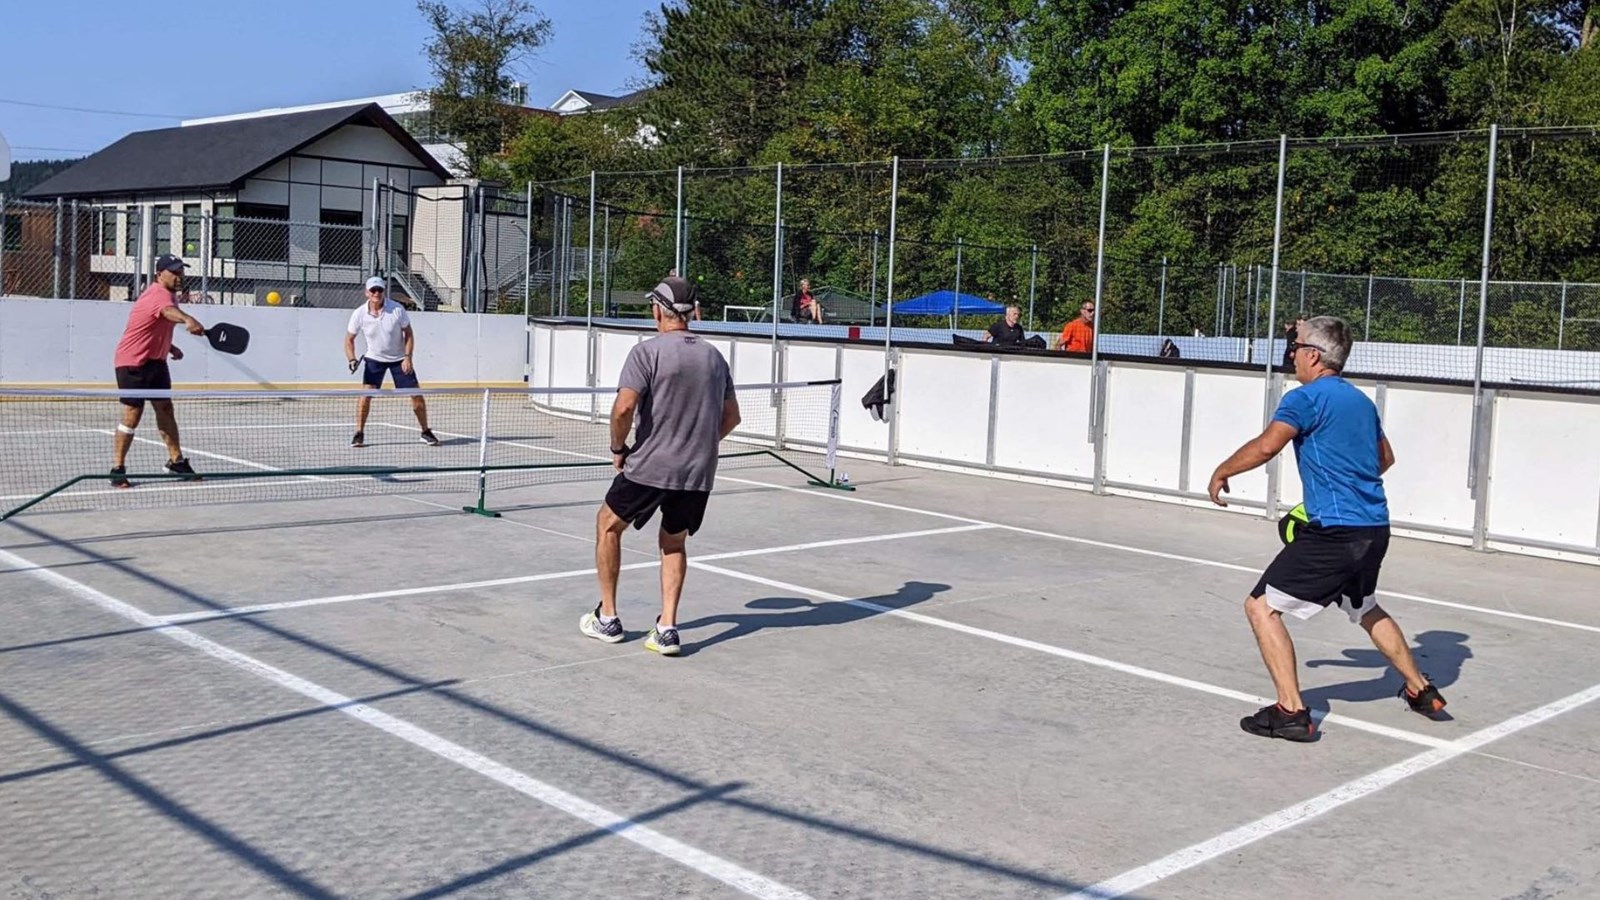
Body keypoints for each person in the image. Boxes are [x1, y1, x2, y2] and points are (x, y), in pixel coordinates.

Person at [1208, 315, 1446, 742]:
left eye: (1297, 346)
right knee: (1363, 607)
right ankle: (1421, 689)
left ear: (1313, 356)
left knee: (1261, 607)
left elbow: (1267, 445)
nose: (1292, 353)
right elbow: (1384, 460)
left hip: (1336, 533)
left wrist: (1222, 470)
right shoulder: (1360, 401)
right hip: (1374, 528)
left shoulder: (1306, 399)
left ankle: (1291, 712)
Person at [580, 275, 741, 657]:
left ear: (658, 311)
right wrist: (699, 445)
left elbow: (623, 407)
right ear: (693, 313)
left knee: (608, 524)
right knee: (674, 542)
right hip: (697, 471)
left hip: (651, 465)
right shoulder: (714, 357)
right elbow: (732, 417)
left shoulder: (646, 352)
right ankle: (667, 628)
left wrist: (618, 447)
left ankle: (609, 618)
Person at [110, 254, 208, 488]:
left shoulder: (171, 295)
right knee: (133, 414)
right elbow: (165, 312)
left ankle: (176, 461)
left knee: (165, 408)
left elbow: (153, 326)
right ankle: (117, 469)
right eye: (174, 272)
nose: (179, 276)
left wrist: (170, 346)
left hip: (156, 362)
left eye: (181, 271)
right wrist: (187, 319)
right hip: (133, 362)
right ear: (159, 274)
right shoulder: (158, 294)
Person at [344, 276, 439, 448]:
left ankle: (425, 431)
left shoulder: (397, 309)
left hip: (399, 359)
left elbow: (408, 334)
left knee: (416, 394)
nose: (376, 293)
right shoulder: (359, 314)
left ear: (384, 292)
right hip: (374, 359)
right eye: (373, 290)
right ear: (367, 293)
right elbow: (349, 340)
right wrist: (351, 359)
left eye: (379, 290)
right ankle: (359, 433)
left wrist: (408, 357)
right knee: (365, 396)